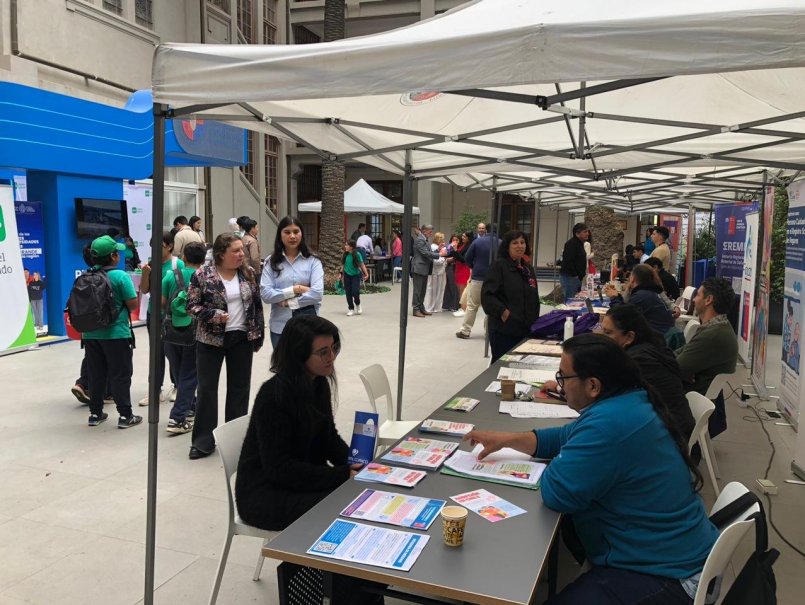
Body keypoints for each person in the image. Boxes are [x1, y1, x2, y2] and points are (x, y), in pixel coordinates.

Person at [466, 334, 717, 605]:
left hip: (668, 576)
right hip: (669, 551)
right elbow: (564, 436)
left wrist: (566, 457)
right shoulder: (627, 402)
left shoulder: (609, 424)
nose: (560, 384)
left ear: (593, 385)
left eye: (563, 377)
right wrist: (507, 439)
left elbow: (557, 492)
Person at [235, 316, 383, 604]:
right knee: (345, 514)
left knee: (362, 499)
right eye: (323, 352)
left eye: (334, 348)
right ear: (299, 354)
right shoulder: (274, 396)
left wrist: (355, 463)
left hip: (298, 479)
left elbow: (328, 437)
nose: (331, 358)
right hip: (264, 494)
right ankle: (349, 594)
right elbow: (279, 469)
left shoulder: (318, 384)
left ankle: (363, 591)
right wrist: (341, 475)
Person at [186, 233, 265, 459]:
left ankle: (235, 442)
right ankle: (203, 442)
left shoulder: (247, 273)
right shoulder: (203, 275)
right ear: (221, 254)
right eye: (236, 251)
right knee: (207, 391)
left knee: (240, 391)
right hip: (210, 340)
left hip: (241, 338)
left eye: (242, 250)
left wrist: (258, 335)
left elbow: (257, 306)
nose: (242, 254)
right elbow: (191, 306)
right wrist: (213, 314)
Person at [599, 304, 694, 440]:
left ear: (629, 337)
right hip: (665, 422)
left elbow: (610, 393)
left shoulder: (639, 360)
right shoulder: (649, 345)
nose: (602, 337)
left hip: (669, 435)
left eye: (608, 333)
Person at [82, 235, 142, 429]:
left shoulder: (86, 276)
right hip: (116, 334)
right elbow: (132, 305)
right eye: (117, 252)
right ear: (113, 256)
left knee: (96, 374)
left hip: (91, 334)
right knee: (120, 374)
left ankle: (95, 414)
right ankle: (125, 415)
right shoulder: (120, 276)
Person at [161, 242, 205, 435]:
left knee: (179, 373)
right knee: (189, 374)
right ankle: (177, 418)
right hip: (194, 332)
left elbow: (162, 303)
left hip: (171, 332)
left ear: (184, 258)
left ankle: (190, 407)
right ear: (203, 259)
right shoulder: (204, 277)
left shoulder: (170, 275)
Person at [260, 216, 324, 347]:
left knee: (307, 360)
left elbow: (317, 293)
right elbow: (266, 294)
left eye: (296, 232)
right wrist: (296, 289)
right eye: (287, 232)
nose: (292, 236)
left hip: (308, 326)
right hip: (280, 327)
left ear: (302, 234)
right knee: (282, 361)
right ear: (280, 235)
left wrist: (288, 302)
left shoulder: (313, 261)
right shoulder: (271, 262)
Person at [138, 232, 184, 406]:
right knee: (156, 353)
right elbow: (144, 290)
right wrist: (145, 274)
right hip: (154, 314)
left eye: (160, 246)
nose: (155, 250)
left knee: (173, 352)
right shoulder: (151, 265)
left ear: (170, 246)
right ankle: (155, 391)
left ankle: (178, 386)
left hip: (172, 316)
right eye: (153, 246)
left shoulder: (177, 264)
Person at [481, 230, 539, 363]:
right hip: (504, 330)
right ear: (507, 246)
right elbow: (487, 296)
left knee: (521, 364)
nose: (520, 246)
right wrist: (503, 313)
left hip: (526, 328)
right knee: (503, 365)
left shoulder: (528, 268)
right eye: (515, 243)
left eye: (522, 242)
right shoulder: (499, 266)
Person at [606, 264, 674, 335]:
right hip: (661, 335)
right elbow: (627, 308)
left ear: (633, 279)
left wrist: (614, 297)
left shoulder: (642, 295)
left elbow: (621, 317)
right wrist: (617, 296)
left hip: (654, 338)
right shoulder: (652, 292)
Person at [457, 224, 499, 338]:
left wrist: (474, 267)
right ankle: (488, 333)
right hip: (494, 279)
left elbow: (467, 258)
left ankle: (465, 331)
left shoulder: (477, 242)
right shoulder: (501, 243)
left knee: (472, 305)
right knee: (490, 307)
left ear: (486, 230)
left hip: (478, 277)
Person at [411, 224, 446, 318]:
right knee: (418, 290)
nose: (431, 234)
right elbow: (425, 253)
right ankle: (416, 309)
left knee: (422, 290)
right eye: (430, 232)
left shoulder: (425, 240)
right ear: (424, 231)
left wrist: (438, 249)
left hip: (424, 268)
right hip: (419, 268)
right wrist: (439, 254)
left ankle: (421, 307)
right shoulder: (420, 240)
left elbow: (428, 253)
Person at [559, 223, 589, 298]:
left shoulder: (580, 243)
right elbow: (568, 261)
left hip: (575, 278)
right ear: (577, 234)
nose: (587, 234)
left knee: (575, 300)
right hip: (570, 278)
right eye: (585, 232)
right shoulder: (571, 244)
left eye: (587, 232)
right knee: (571, 301)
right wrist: (575, 276)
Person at [341, 240, 369, 316]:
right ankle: (351, 309)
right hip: (347, 275)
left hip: (355, 275)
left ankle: (358, 304)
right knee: (348, 293)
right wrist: (340, 273)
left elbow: (362, 264)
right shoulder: (345, 254)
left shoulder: (357, 254)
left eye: (347, 245)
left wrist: (366, 274)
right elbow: (343, 265)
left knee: (355, 292)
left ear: (351, 247)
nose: (345, 246)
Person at [450, 230, 474, 317]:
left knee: (463, 291)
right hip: (459, 268)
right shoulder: (464, 245)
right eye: (462, 236)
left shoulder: (469, 246)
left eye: (464, 236)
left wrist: (455, 250)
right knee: (460, 289)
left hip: (464, 269)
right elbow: (457, 256)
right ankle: (462, 308)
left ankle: (464, 309)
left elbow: (463, 259)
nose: (462, 238)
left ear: (468, 238)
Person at [424, 232, 448, 313]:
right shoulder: (433, 247)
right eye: (442, 239)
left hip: (440, 271)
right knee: (433, 291)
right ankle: (432, 307)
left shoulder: (439, 247)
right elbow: (435, 261)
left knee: (439, 290)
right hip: (435, 272)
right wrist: (444, 258)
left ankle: (437, 307)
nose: (443, 240)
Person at [442, 234, 460, 312]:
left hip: (458, 268)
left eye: (456, 240)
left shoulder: (460, 248)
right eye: (453, 240)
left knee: (455, 286)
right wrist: (449, 259)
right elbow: (444, 257)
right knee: (449, 285)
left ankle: (455, 305)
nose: (455, 241)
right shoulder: (448, 247)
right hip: (450, 267)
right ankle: (447, 305)